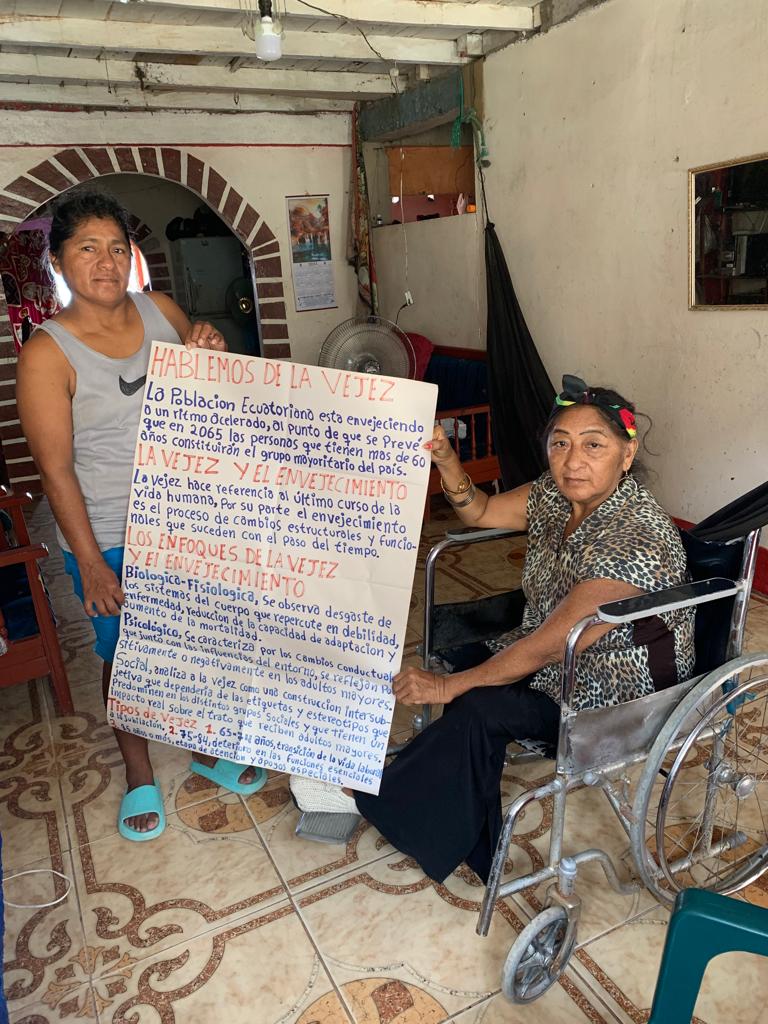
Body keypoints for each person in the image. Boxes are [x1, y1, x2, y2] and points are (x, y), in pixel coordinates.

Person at [290, 375, 695, 883]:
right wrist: (445, 460)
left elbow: (549, 647)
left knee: (477, 702)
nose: (573, 461)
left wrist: (450, 686)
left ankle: (375, 796)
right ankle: (464, 814)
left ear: (626, 454)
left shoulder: (633, 534)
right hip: (556, 662)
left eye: (594, 445)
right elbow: (479, 511)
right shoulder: (554, 495)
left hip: (613, 694)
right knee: (463, 663)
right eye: (560, 444)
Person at [16, 189, 266, 843]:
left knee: (196, 642)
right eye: (87, 248)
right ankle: (138, 771)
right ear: (58, 262)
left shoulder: (162, 311)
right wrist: (91, 564)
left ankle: (206, 749)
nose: (106, 262)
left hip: (186, 520)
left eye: (116, 248)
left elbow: (215, 395)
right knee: (128, 656)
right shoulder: (47, 354)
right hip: (108, 532)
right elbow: (56, 472)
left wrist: (212, 349)